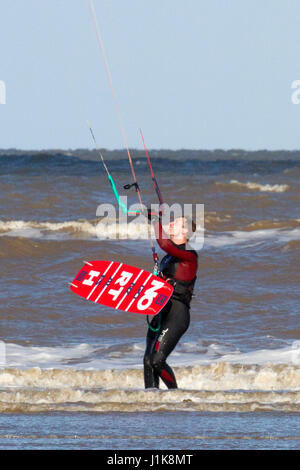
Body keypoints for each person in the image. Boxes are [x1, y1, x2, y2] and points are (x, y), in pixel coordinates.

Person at [143, 213, 198, 389]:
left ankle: (175, 394)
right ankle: (151, 400)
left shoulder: (189, 255)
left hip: (177, 315)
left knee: (157, 360)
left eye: (177, 223)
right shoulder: (168, 258)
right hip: (161, 313)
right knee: (148, 361)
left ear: (185, 231)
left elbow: (164, 243)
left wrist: (155, 221)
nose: (171, 224)